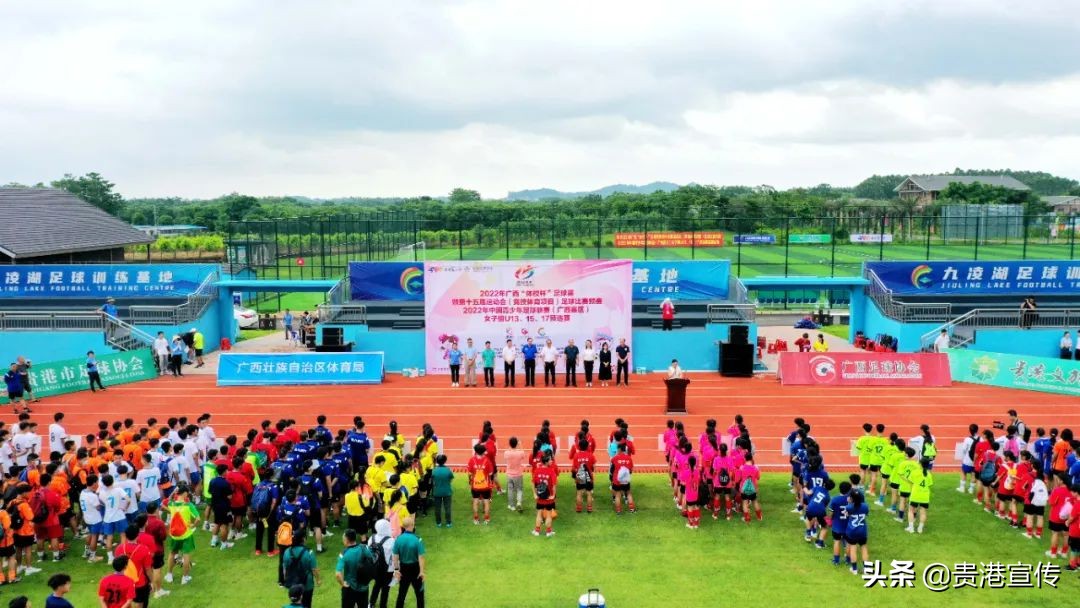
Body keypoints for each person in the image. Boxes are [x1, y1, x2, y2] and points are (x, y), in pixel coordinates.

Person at [164, 486, 198, 586]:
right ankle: (185, 578)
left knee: (172, 553)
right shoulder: (189, 505)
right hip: (186, 534)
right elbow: (198, 518)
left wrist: (172, 494)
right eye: (187, 493)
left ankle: (169, 575)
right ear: (184, 493)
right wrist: (193, 525)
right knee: (186, 555)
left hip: (174, 535)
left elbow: (163, 503)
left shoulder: (171, 504)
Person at [392, 516, 426, 608]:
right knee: (420, 594)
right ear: (412, 525)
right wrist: (422, 571)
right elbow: (421, 557)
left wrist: (396, 569)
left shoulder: (398, 539)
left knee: (402, 593)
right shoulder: (417, 539)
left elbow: (395, 556)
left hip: (404, 568)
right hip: (415, 569)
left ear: (403, 526)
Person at [115, 526, 152, 608]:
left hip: (123, 581)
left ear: (126, 535)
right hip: (139, 582)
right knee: (140, 602)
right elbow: (148, 569)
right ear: (137, 535)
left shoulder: (119, 549)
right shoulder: (144, 549)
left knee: (126, 601)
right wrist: (152, 581)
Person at [336, 528, 375, 608]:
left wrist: (343, 583)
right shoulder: (364, 547)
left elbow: (338, 574)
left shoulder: (344, 554)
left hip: (349, 588)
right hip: (364, 587)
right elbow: (373, 559)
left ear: (346, 540)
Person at [282, 532, 319, 608]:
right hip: (307, 584)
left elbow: (285, 568)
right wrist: (318, 579)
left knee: (295, 604)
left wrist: (286, 578)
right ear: (303, 539)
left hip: (293, 583)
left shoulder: (287, 552)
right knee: (307, 604)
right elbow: (314, 569)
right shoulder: (309, 552)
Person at [368, 519, 395, 608]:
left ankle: (371, 603)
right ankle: (383, 605)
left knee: (377, 584)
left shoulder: (372, 538)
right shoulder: (391, 541)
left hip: (374, 567)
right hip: (387, 569)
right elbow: (394, 556)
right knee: (386, 588)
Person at [844, 490, 870, 575]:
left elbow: (846, 514)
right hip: (862, 531)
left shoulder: (849, 507)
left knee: (853, 549)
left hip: (852, 531)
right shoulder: (865, 506)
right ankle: (866, 569)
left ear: (851, 499)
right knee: (864, 548)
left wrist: (848, 503)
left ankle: (854, 569)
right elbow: (866, 513)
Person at [532, 454, 558, 537]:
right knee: (549, 515)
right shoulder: (551, 471)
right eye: (550, 460)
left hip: (539, 497)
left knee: (539, 514)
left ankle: (537, 531)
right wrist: (553, 495)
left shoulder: (537, 470)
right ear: (546, 462)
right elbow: (554, 485)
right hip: (548, 498)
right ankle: (548, 532)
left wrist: (535, 494)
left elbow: (533, 483)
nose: (552, 461)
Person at [466, 444, 493, 525]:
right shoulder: (487, 460)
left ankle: (476, 519)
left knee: (475, 501)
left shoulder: (471, 460)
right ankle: (486, 519)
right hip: (486, 486)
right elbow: (491, 473)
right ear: (483, 452)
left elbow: (469, 473)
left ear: (475, 451)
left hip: (475, 486)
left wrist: (470, 481)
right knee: (486, 502)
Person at [430, 454, 453, 528]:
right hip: (447, 491)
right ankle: (448, 523)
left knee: (437, 508)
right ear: (445, 461)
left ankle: (438, 523)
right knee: (447, 507)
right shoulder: (448, 470)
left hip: (437, 492)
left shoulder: (434, 470)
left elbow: (432, 481)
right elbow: (450, 479)